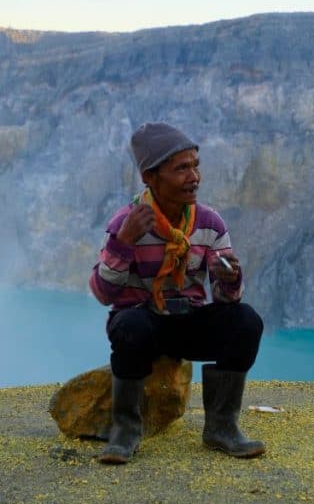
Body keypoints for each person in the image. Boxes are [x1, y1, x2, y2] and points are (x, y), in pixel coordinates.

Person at [89, 122, 266, 464]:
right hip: (144, 325)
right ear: (149, 178)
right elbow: (103, 292)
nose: (194, 177)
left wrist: (228, 277)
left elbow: (227, 299)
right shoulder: (126, 223)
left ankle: (222, 427)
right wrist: (123, 243)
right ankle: (125, 430)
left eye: (195, 166)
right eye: (181, 169)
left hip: (188, 320)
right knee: (130, 326)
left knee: (245, 321)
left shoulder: (208, 223)